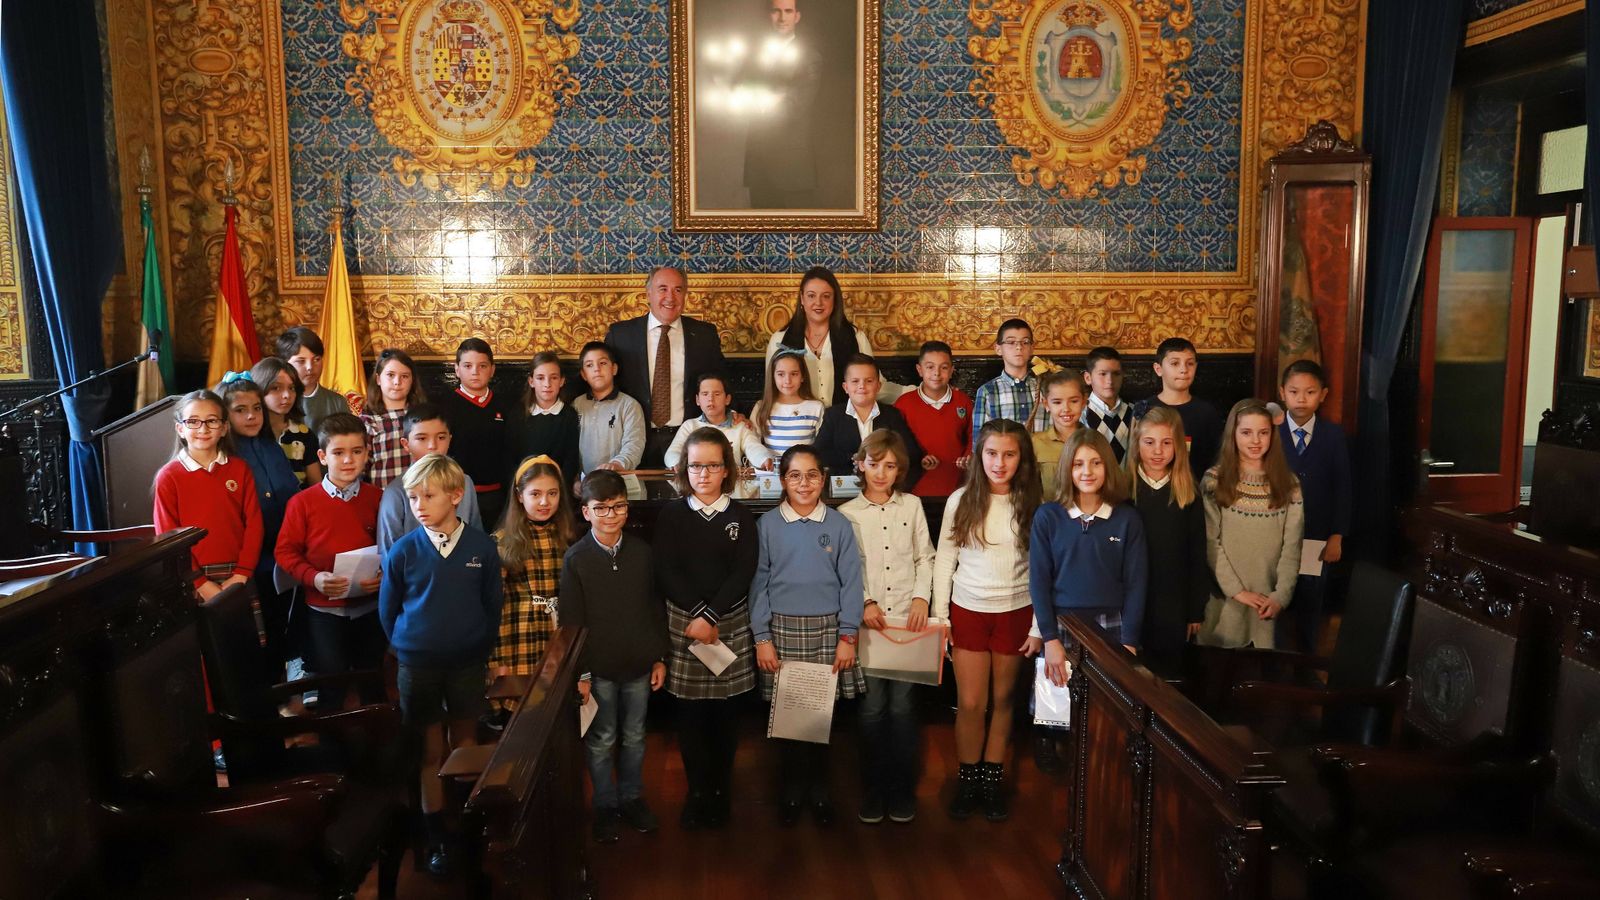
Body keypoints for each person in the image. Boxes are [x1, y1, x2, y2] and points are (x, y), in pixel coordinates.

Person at [379, 453, 504, 876]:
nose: (418, 505)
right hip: (418, 666)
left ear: (455, 496)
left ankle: (469, 824)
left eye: (427, 496)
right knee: (429, 749)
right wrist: (409, 645)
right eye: (412, 498)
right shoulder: (404, 550)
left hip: (467, 663)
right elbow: (388, 609)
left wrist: (477, 647)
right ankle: (436, 835)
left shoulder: (482, 548)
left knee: (464, 743)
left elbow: (492, 608)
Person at [932, 419, 1041, 822]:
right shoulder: (961, 500)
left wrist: (1037, 626)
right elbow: (945, 557)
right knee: (972, 702)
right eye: (992, 453)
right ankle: (968, 778)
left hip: (1016, 610)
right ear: (980, 456)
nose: (1000, 462)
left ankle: (992, 780)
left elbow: (1041, 568)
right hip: (969, 609)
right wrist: (940, 615)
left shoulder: (1033, 503)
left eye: (1009, 454)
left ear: (1021, 458)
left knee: (1003, 701)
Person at [752, 444, 866, 827]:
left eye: (812, 475)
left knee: (821, 718)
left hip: (828, 630)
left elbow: (852, 583)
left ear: (824, 479)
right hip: (782, 630)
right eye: (795, 475)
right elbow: (759, 585)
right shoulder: (766, 525)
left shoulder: (838, 525)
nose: (804, 483)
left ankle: (820, 791)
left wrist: (848, 634)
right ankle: (791, 790)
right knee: (787, 719)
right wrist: (761, 636)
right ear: (783, 480)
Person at [652, 428, 760, 830]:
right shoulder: (673, 514)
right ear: (685, 470)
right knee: (692, 717)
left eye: (712, 465)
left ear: (726, 470)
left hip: (728, 620)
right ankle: (697, 792)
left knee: (726, 716)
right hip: (685, 621)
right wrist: (698, 615)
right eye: (696, 466)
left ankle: (721, 791)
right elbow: (667, 569)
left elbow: (743, 570)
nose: (703, 474)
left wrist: (712, 616)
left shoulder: (741, 515)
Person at [561, 470, 669, 843]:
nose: (612, 515)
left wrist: (659, 656)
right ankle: (605, 804)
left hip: (639, 662)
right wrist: (582, 671)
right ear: (586, 512)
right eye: (602, 508)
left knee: (636, 736)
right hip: (599, 668)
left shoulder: (642, 552)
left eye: (619, 506)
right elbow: (572, 620)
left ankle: (633, 797)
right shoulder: (576, 559)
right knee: (602, 738)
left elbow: (655, 607)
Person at [838, 429, 934, 825]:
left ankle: (901, 786)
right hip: (871, 623)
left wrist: (920, 599)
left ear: (900, 471)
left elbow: (924, 557)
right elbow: (846, 569)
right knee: (874, 707)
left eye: (890, 466)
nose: (881, 473)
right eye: (874, 464)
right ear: (861, 464)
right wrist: (864, 602)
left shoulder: (911, 506)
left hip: (907, 621)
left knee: (903, 707)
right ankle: (874, 786)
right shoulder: (847, 513)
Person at [276, 413, 386, 705]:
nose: (348, 460)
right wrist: (315, 578)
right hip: (323, 611)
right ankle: (331, 744)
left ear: (367, 455)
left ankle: (381, 745)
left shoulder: (378, 499)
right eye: (339, 453)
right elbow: (285, 552)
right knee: (331, 682)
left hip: (369, 608)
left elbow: (393, 548)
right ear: (323, 456)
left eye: (357, 452)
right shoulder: (303, 503)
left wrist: (384, 575)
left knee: (371, 678)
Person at [1031, 429, 1148, 686]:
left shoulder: (1127, 519)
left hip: (1113, 625)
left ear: (1107, 466)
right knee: (1060, 715)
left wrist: (1128, 641)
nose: (1087, 472)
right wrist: (1049, 637)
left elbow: (1136, 584)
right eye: (1078, 464)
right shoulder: (1047, 517)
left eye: (1096, 463)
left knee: (1108, 717)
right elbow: (1039, 582)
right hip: (1062, 624)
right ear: (1066, 469)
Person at [1199, 399, 1303, 650]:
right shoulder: (1215, 480)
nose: (1255, 441)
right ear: (1233, 435)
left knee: (1260, 677)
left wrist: (1281, 596)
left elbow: (1293, 546)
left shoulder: (1289, 484)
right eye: (1246, 432)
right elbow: (1211, 542)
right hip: (1226, 600)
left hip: (1267, 602)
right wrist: (1236, 591)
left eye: (1263, 433)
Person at [603, 266, 728, 467]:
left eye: (678, 290)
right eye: (662, 289)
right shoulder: (621, 335)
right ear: (648, 293)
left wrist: (735, 414)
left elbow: (722, 381)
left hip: (687, 439)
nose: (670, 297)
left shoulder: (704, 335)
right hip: (634, 440)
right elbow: (602, 384)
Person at [218, 372, 301, 672]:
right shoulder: (225, 456)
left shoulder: (270, 447)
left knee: (283, 623)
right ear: (224, 415)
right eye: (241, 410)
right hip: (249, 561)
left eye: (256, 408)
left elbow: (290, 493)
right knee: (258, 632)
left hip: (283, 554)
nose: (252, 416)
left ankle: (288, 678)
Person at [153, 389, 263, 599]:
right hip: (191, 577)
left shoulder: (240, 469)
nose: (203, 428)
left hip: (238, 575)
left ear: (224, 428)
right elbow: (168, 538)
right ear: (180, 428)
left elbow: (254, 524)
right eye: (193, 421)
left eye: (212, 421)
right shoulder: (169, 476)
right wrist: (199, 582)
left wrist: (242, 573)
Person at [1276, 360, 1351, 653]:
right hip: (1278, 534)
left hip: (1316, 535)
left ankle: (1306, 659)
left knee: (1311, 596)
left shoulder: (1332, 436)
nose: (1301, 399)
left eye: (1310, 392)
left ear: (1323, 394)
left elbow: (1343, 488)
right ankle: (1276, 659)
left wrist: (1337, 535)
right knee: (1280, 596)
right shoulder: (1271, 431)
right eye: (1294, 392)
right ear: (1282, 393)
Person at [1126, 406, 1209, 670]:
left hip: (1173, 603)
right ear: (1137, 443)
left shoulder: (1188, 493)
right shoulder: (1123, 489)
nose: (1158, 451)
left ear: (1178, 447)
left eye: (1166, 443)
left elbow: (1197, 553)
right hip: (1129, 601)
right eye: (1149, 442)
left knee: (1166, 675)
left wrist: (1195, 608)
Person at [491, 455, 577, 706]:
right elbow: (495, 608)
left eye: (552, 493)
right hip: (519, 637)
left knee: (557, 707)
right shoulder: (502, 541)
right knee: (523, 709)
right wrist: (498, 661)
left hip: (558, 633)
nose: (544, 502)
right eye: (535, 494)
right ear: (519, 496)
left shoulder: (568, 538)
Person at [763, 267, 907, 407]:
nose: (818, 303)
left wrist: (917, 393)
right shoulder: (780, 340)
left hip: (843, 425)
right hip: (798, 425)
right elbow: (771, 391)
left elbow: (875, 386)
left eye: (826, 296)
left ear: (835, 299)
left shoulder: (856, 337)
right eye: (811, 295)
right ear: (802, 298)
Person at [741, 0, 824, 209]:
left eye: (788, 11)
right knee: (759, 236)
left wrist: (761, 102)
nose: (782, 18)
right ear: (769, 15)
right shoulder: (754, 57)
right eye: (776, 11)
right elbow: (738, 92)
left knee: (792, 239)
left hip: (791, 168)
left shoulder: (810, 58)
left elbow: (796, 105)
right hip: (758, 163)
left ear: (797, 16)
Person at [376, 404, 483, 555]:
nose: (433, 446)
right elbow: (389, 552)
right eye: (422, 438)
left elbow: (476, 536)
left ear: (449, 439)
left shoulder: (465, 482)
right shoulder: (397, 491)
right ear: (406, 444)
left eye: (441, 437)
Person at [436, 338, 516, 527]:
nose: (475, 372)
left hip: (500, 494)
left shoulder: (506, 405)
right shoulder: (445, 407)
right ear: (457, 369)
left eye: (482, 366)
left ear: (492, 369)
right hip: (459, 494)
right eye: (468, 365)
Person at [814, 354, 923, 488]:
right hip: (844, 489)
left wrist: (877, 459)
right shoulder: (833, 415)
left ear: (878, 386)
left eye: (869, 381)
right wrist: (853, 457)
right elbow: (819, 453)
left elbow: (911, 452)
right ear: (845, 387)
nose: (862, 386)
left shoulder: (891, 414)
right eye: (855, 381)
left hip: (885, 486)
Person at [663, 371, 773, 498]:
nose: (711, 399)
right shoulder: (690, 426)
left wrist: (764, 459)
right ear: (697, 400)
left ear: (727, 399)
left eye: (717, 394)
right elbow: (672, 452)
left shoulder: (740, 426)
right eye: (705, 394)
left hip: (731, 490)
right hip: (699, 488)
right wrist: (677, 463)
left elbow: (753, 446)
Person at [1132, 337, 1224, 479]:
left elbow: (1216, 459)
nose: (1183, 369)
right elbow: (1134, 457)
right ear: (1158, 369)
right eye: (1175, 363)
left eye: (1190, 363)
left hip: (1195, 491)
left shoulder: (1207, 412)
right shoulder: (1144, 409)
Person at [893, 340, 973, 498]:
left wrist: (968, 455)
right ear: (919, 370)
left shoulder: (962, 401)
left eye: (943, 367)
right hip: (914, 487)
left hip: (957, 485)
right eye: (930, 367)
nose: (937, 373)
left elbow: (973, 433)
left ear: (951, 371)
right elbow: (896, 441)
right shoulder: (904, 403)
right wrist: (916, 458)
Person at [970, 319, 1049, 452]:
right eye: (1011, 342)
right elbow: (980, 441)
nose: (1019, 347)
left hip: (1043, 463)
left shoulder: (1046, 387)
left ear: (1032, 348)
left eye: (1025, 342)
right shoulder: (987, 392)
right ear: (998, 349)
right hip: (1004, 465)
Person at [506, 351, 582, 488]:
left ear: (562, 381)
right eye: (540, 378)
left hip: (558, 489)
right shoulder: (518, 415)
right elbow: (510, 458)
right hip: (524, 489)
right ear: (531, 381)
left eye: (553, 378)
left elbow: (571, 460)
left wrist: (557, 488)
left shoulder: (570, 416)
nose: (547, 384)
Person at [572, 341, 646, 475]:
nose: (597, 369)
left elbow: (634, 444)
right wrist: (575, 479)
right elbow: (569, 447)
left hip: (620, 482)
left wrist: (616, 464)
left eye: (603, 363)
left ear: (614, 369)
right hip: (586, 487)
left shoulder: (629, 405)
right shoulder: (577, 405)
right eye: (589, 365)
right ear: (583, 374)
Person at [361, 348, 428, 490]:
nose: (397, 382)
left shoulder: (424, 417)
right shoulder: (369, 421)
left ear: (412, 381)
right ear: (379, 379)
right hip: (383, 498)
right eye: (390, 375)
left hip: (421, 497)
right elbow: (361, 468)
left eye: (404, 376)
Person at [251, 356, 324, 486]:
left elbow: (315, 486)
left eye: (292, 388)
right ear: (260, 389)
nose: (287, 395)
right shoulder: (250, 434)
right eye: (276, 388)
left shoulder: (305, 435)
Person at [752, 348, 825, 458]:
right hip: (772, 472)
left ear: (803, 376)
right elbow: (752, 442)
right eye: (781, 374)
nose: (787, 381)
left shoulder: (816, 407)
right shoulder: (761, 407)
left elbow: (822, 446)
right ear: (773, 376)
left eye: (794, 374)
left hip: (803, 471)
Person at [277, 326, 351, 431]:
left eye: (316, 359)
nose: (310, 367)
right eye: (301, 361)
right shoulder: (277, 401)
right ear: (285, 363)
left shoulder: (337, 402)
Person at [1031, 369, 1087, 501]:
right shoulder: (1036, 442)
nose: (1066, 409)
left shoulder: (1094, 441)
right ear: (1046, 404)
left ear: (1084, 401)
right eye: (1057, 402)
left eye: (1073, 401)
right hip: (1049, 516)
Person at [1080, 346, 1134, 463]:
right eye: (1103, 374)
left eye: (1116, 374)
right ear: (1088, 378)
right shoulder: (1081, 414)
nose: (1110, 380)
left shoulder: (1134, 412)